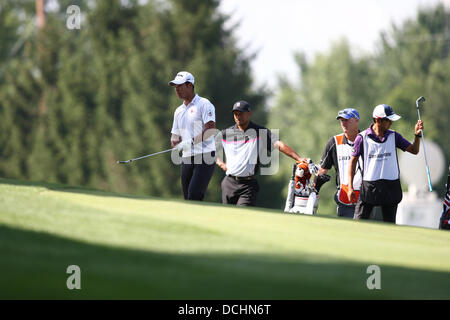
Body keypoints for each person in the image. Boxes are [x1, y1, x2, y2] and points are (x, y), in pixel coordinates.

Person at [216, 100, 306, 206]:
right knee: (227, 217)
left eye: (241, 113)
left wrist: (298, 158)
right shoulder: (226, 133)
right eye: (235, 114)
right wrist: (221, 163)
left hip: (247, 186)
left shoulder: (260, 132)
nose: (238, 117)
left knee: (242, 215)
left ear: (249, 114)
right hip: (229, 183)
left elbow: (279, 145)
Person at [347, 104, 423, 223]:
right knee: (358, 222)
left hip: (390, 187)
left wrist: (417, 135)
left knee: (390, 225)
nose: (391, 123)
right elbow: (352, 163)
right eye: (388, 120)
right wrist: (350, 187)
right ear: (378, 120)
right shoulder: (361, 138)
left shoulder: (394, 136)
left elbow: (414, 150)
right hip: (369, 187)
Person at [169, 71, 216, 201]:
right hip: (187, 158)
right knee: (187, 198)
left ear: (190, 85)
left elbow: (211, 130)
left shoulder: (204, 104)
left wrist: (190, 142)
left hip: (205, 156)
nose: (177, 90)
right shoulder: (178, 111)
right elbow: (175, 137)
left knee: (194, 195)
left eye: (180, 86)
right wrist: (175, 144)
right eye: (175, 87)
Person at [315, 108, 363, 218]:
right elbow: (322, 169)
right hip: (345, 197)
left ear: (356, 120)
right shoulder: (334, 142)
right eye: (341, 120)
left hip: (366, 198)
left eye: (347, 120)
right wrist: (314, 189)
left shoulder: (366, 139)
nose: (343, 123)